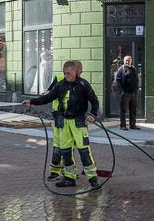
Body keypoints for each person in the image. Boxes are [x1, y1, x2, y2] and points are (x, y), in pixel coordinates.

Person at [23, 60, 100, 188]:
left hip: (78, 123)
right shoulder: (61, 85)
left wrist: (92, 114)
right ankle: (69, 178)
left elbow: (95, 101)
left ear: (75, 72)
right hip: (63, 123)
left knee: (84, 150)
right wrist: (31, 101)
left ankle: (93, 179)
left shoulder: (83, 85)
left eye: (69, 73)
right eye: (65, 73)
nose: (66, 76)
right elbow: (48, 97)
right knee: (65, 151)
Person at [115, 56, 140, 131]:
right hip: (125, 93)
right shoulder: (121, 69)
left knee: (133, 110)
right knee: (123, 110)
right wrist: (121, 91)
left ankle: (132, 125)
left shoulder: (133, 68)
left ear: (131, 61)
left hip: (134, 93)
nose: (127, 62)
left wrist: (137, 89)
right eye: (126, 60)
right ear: (124, 61)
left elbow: (137, 79)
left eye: (129, 60)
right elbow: (118, 80)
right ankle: (123, 126)